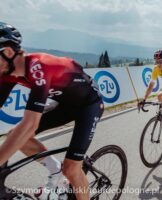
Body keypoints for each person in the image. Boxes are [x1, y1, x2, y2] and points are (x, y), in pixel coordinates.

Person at [0, 22, 104, 200]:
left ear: (8, 52)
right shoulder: (7, 74)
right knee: (14, 136)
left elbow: (30, 125)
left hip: (89, 104)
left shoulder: (38, 66)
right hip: (64, 104)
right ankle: (55, 170)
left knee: (71, 169)